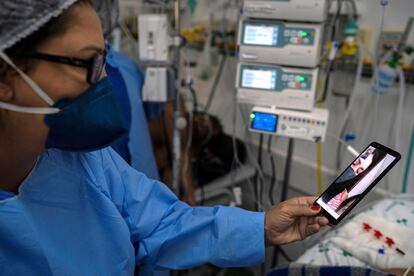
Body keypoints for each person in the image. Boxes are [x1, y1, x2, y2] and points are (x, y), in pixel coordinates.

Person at [0, 1, 329, 275]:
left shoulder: (85, 159)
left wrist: (262, 227)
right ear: (5, 74)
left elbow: (162, 223)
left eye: (105, 60)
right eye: (89, 62)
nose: (104, 79)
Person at [322, 148, 387, 214]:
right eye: (357, 162)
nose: (355, 170)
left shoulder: (343, 193)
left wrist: (338, 201)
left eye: (360, 169)